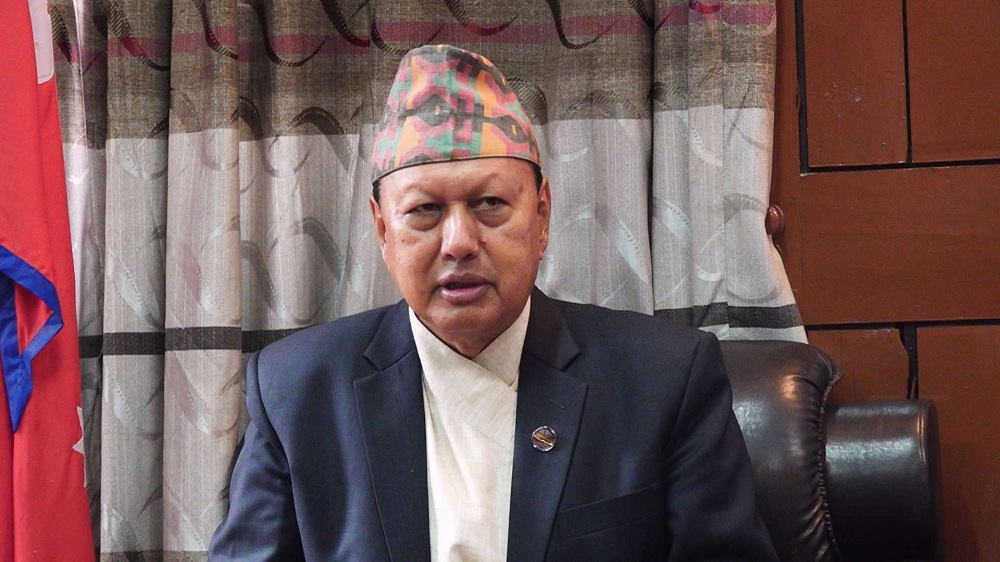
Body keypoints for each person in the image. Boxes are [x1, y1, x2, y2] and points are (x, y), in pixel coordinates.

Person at [210, 44, 777, 561]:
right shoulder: (296, 393)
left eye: (489, 204)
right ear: (383, 229)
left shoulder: (665, 378)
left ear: (542, 214)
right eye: (424, 211)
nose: (458, 242)